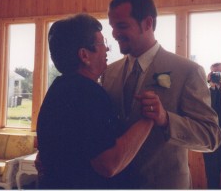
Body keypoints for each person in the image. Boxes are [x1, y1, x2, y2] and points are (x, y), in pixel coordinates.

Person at [102, 0, 221, 188]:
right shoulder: (109, 73)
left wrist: (166, 119)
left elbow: (211, 137)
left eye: (121, 26)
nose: (114, 34)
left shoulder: (187, 71)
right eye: (112, 26)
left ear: (147, 23)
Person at [36, 14, 154, 189]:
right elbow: (109, 165)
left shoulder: (59, 88)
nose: (107, 49)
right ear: (84, 55)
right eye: (102, 44)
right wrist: (148, 117)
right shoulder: (87, 93)